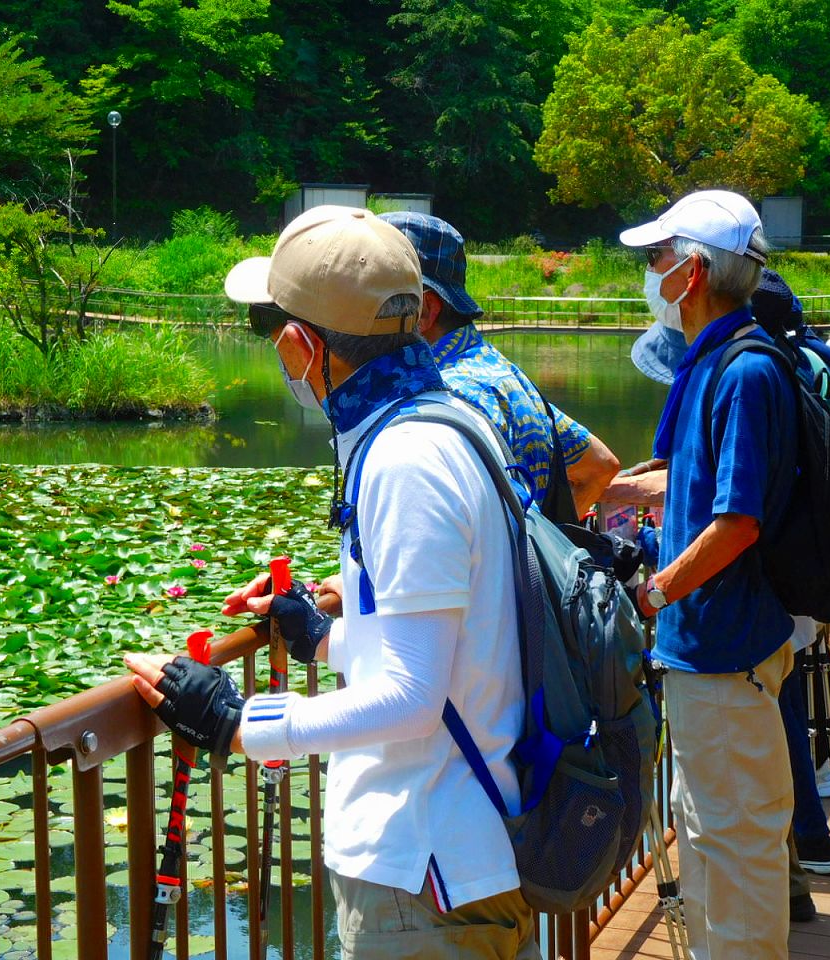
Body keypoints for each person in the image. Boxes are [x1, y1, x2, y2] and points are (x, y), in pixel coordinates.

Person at [125, 205, 539, 958]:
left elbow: (414, 701)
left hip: (423, 873)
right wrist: (322, 640)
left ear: (301, 343)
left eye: (272, 330)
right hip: (451, 855)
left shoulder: (405, 459)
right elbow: (450, 646)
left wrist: (236, 720)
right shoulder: (445, 421)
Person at [619, 189, 798, 959]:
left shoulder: (745, 371)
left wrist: (658, 591)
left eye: (657, 258)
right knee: (711, 832)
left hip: (725, 650)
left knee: (737, 845)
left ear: (691, 272)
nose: (649, 271)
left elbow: (738, 523)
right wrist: (621, 490)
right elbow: (701, 483)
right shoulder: (716, 362)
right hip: (706, 651)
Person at [379, 211, 619, 522]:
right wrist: (549, 542)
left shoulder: (447, 402)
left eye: (371, 299)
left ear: (423, 311)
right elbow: (600, 466)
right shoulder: (500, 371)